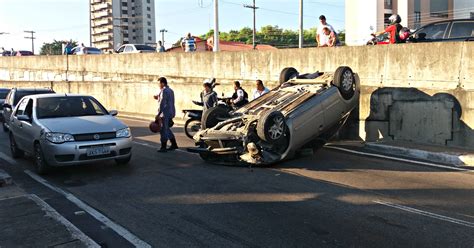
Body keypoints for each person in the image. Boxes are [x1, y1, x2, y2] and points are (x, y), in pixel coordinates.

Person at [154, 77, 178, 152]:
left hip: (165, 113)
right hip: (170, 112)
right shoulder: (170, 90)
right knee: (167, 128)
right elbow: (168, 100)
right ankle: (174, 144)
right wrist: (158, 97)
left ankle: (163, 147)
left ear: (162, 83)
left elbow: (162, 103)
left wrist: (158, 114)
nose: (158, 85)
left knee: (163, 130)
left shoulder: (164, 91)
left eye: (159, 83)